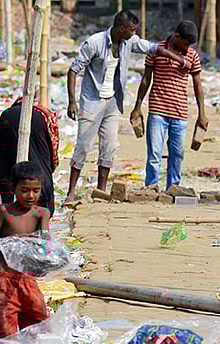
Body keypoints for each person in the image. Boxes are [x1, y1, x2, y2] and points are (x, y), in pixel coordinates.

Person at [64, 10, 190, 205]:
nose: (134, 33)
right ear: (121, 28)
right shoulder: (95, 43)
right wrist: (72, 101)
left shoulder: (128, 42)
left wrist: (177, 58)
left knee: (110, 146)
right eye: (132, 30)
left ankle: (101, 191)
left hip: (113, 102)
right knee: (83, 146)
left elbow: (152, 48)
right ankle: (71, 192)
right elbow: (73, 71)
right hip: (92, 101)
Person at [131, 21, 208, 190]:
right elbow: (146, 79)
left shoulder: (192, 55)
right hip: (158, 110)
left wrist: (202, 113)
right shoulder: (156, 50)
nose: (187, 47)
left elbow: (197, 85)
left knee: (177, 155)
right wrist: (137, 107)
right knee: (154, 155)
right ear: (176, 36)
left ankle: (173, 188)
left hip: (180, 113)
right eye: (185, 43)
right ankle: (151, 188)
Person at [0, 161, 51, 338]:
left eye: (35, 191)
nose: (30, 195)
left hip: (27, 278)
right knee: (6, 328)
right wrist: (9, 243)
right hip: (4, 279)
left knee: (39, 323)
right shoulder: (5, 211)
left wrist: (46, 249)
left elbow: (46, 240)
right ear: (13, 188)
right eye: (24, 190)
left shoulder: (41, 214)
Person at [0, 91, 58, 216]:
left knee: (8, 168)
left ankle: (9, 208)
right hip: (36, 130)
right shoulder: (42, 114)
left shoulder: (7, 114)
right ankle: (46, 208)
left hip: (8, 132)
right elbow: (51, 143)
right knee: (40, 167)